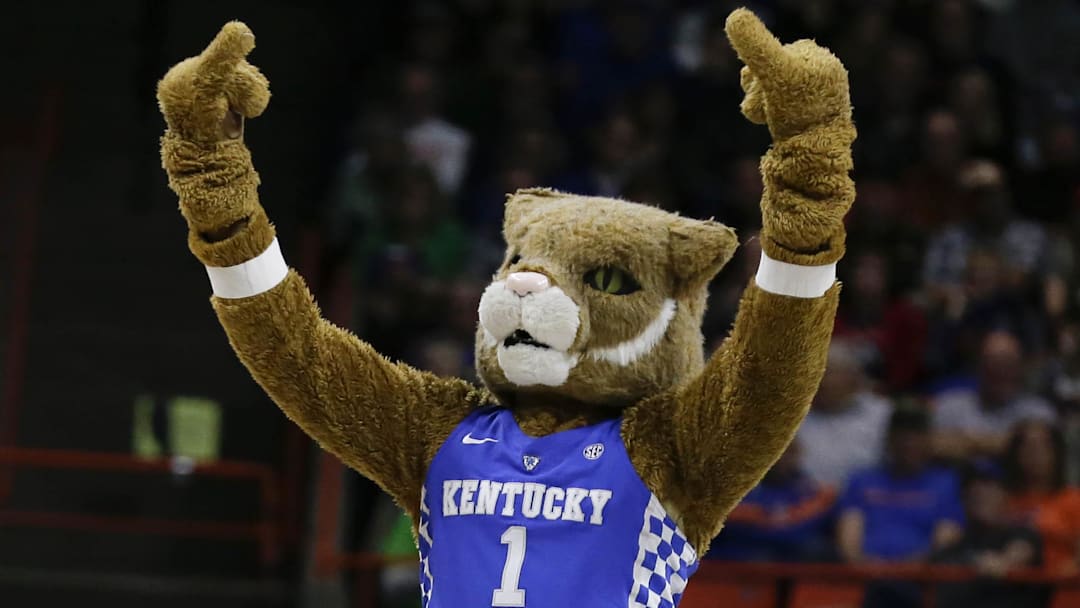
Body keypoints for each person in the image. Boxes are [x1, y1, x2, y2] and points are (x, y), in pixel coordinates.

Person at [837, 407, 964, 564]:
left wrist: (907, 568)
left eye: (916, 436)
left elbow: (944, 541)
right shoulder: (861, 480)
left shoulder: (945, 483)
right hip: (864, 575)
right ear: (889, 440)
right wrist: (866, 565)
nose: (908, 443)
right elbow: (849, 541)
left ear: (928, 440)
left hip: (921, 577)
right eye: (901, 436)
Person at [933, 461, 1043, 608]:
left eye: (989, 485)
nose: (979, 492)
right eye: (972, 486)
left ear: (1005, 494)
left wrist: (1004, 561)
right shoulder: (954, 540)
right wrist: (938, 548)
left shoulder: (1022, 533)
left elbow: (1020, 552)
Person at [706, 441, 837, 562]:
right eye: (777, 452)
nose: (781, 459)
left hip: (793, 561)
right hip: (735, 561)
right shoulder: (734, 487)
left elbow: (795, 529)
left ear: (798, 454)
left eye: (788, 452)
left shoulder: (810, 490)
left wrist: (776, 522)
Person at [932, 331, 1056, 459]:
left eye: (1008, 363)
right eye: (993, 362)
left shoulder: (1038, 411)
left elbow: (1040, 452)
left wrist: (968, 442)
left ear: (1020, 367)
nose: (1001, 370)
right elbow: (933, 445)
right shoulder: (949, 406)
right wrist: (1008, 443)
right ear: (979, 366)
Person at [798, 340, 893, 487]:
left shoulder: (882, 414)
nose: (817, 382)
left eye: (825, 373)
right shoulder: (792, 419)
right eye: (810, 374)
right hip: (806, 501)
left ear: (853, 377)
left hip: (871, 499)